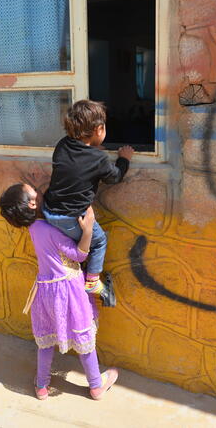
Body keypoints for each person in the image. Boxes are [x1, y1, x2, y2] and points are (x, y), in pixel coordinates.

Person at [0, 183, 118, 400]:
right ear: (33, 203)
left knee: (46, 340)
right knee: (83, 336)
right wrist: (89, 229)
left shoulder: (34, 227)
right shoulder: (52, 230)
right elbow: (80, 255)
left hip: (45, 291)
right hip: (69, 289)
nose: (38, 186)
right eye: (34, 188)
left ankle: (42, 386)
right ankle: (96, 386)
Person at [43, 100, 134, 307]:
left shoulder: (62, 144)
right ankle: (92, 281)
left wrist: (93, 148)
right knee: (99, 241)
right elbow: (115, 176)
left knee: (75, 245)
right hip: (70, 218)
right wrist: (124, 158)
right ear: (99, 129)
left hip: (49, 212)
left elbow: (78, 160)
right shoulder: (98, 159)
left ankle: (80, 271)